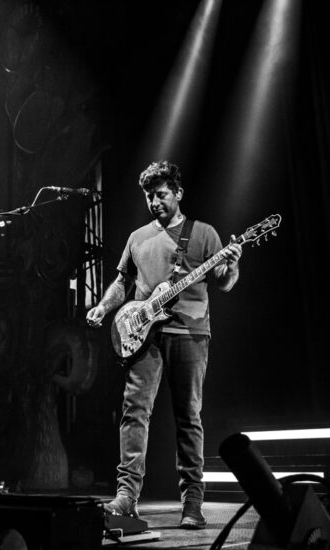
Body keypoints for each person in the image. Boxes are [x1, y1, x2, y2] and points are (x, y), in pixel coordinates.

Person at [86, 160, 242, 529]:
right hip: (144, 336)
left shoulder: (204, 233)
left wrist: (233, 264)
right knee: (134, 412)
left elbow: (224, 282)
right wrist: (104, 307)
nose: (154, 202)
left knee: (188, 417)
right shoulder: (138, 238)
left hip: (190, 333)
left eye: (160, 195)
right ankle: (126, 497)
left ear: (178, 193)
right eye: (149, 197)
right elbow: (122, 282)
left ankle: (192, 504)